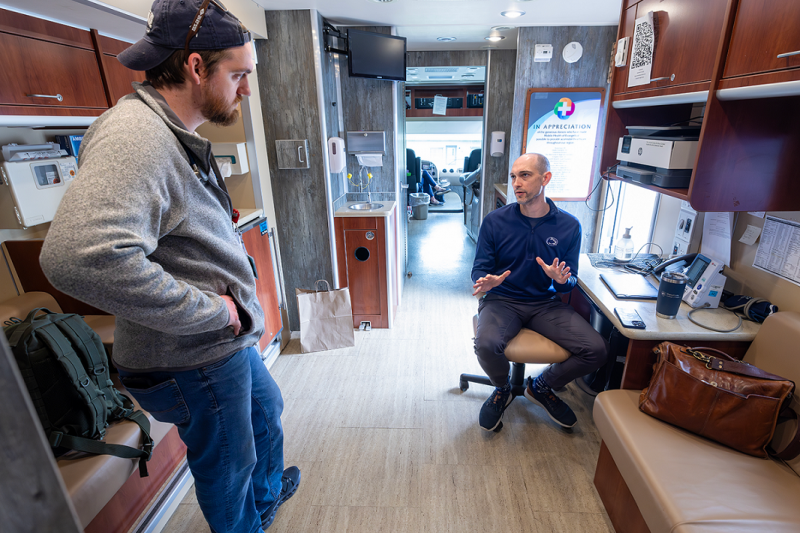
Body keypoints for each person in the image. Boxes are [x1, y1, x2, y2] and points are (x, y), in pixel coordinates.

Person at [39, 1, 298, 531]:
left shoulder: (171, 134)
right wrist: (214, 312)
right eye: (239, 75)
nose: (246, 90)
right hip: (193, 355)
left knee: (266, 412)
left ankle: (264, 498)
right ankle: (244, 522)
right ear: (196, 66)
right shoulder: (137, 137)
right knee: (230, 463)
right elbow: (78, 257)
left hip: (221, 344)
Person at [471, 153, 609, 431]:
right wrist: (485, 281)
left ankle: (543, 386)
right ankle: (502, 388)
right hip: (502, 300)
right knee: (486, 344)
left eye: (525, 175)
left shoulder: (569, 226)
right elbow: (480, 268)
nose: (516, 183)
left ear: (545, 179)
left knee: (596, 350)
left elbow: (570, 282)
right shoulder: (495, 221)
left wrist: (560, 280)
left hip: (545, 303)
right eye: (513, 176)